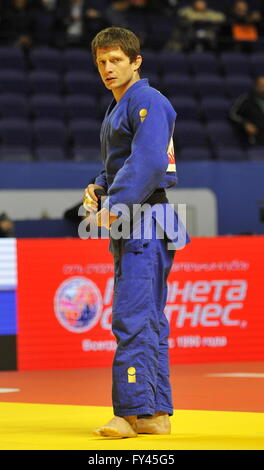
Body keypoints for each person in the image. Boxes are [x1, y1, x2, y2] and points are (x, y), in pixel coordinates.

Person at [83, 26, 189, 438]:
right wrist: (98, 186)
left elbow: (148, 163)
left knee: (131, 316)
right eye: (101, 62)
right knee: (148, 318)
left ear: (135, 62)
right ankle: (155, 414)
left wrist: (114, 207)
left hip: (145, 217)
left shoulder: (148, 100)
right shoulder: (119, 107)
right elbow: (120, 163)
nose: (107, 69)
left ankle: (128, 414)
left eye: (115, 61)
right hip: (137, 219)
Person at [229, 76, 264, 146]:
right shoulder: (246, 100)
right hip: (254, 140)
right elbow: (232, 114)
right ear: (256, 86)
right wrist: (245, 123)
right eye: (262, 86)